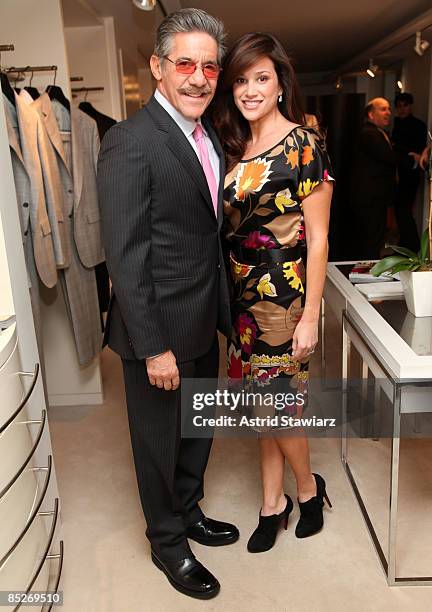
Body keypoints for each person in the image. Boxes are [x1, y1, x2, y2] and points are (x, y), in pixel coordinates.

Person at [97, 8, 238, 600]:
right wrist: (154, 347)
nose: (199, 77)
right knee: (158, 442)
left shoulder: (209, 138)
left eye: (209, 66)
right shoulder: (130, 142)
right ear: (157, 67)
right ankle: (167, 542)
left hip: (204, 318)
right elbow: (126, 257)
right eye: (185, 63)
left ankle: (189, 510)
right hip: (156, 332)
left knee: (197, 431)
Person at [213, 32, 334, 553]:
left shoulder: (304, 144)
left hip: (285, 299)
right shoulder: (235, 147)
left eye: (261, 78)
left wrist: (310, 316)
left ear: (281, 83)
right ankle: (271, 502)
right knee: (261, 407)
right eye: (240, 80)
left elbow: (321, 237)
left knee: (275, 405)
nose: (249, 90)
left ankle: (307, 489)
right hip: (243, 299)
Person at [350, 97, 397, 259]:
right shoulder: (369, 134)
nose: (388, 113)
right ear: (371, 114)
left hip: (376, 198)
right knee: (371, 239)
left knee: (375, 238)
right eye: (383, 109)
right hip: (369, 198)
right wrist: (413, 159)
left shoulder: (379, 133)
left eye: (389, 109)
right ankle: (369, 274)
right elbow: (389, 156)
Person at [392, 93, 427, 252]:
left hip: (411, 172)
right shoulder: (397, 123)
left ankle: (411, 245)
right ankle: (407, 244)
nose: (402, 109)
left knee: (404, 209)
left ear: (410, 105)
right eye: (399, 106)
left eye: (405, 105)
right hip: (401, 172)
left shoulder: (418, 125)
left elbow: (419, 151)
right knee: (401, 210)